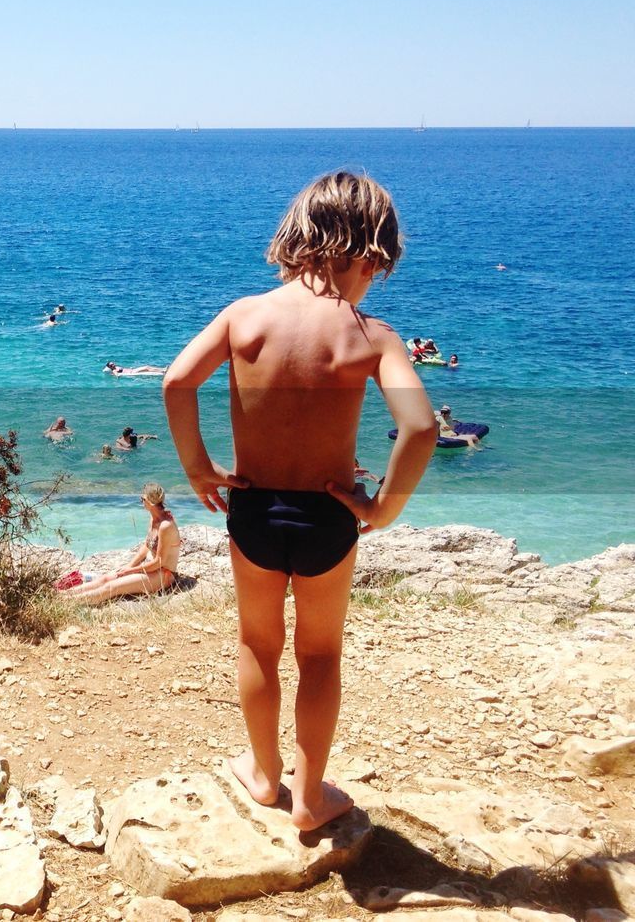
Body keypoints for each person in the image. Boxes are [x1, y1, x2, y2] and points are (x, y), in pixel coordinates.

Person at [163, 171, 435, 831]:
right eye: (377, 270)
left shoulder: (243, 316)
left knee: (258, 644)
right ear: (369, 256)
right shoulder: (371, 336)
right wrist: (382, 508)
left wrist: (200, 467)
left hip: (253, 511)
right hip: (328, 518)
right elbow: (422, 427)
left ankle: (263, 775)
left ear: (297, 239)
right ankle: (310, 797)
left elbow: (176, 382)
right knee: (320, 654)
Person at [57, 482, 181, 606]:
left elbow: (159, 562)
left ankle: (66, 603)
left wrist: (130, 571)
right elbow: (147, 546)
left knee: (112, 587)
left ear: (150, 501)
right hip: (149, 567)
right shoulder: (153, 518)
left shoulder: (165, 526)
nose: (141, 502)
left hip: (163, 574)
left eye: (142, 499)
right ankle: (60, 596)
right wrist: (129, 566)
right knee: (106, 579)